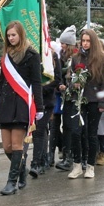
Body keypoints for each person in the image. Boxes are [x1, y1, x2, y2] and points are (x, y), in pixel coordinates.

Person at [0, 21, 43, 193]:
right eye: (8, 36)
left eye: (13, 35)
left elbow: (37, 83)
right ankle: (22, 170)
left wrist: (40, 107)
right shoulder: (6, 56)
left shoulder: (31, 55)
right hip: (6, 105)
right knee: (6, 146)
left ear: (21, 35)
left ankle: (11, 182)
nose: (11, 38)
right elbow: (2, 83)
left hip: (22, 104)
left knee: (16, 145)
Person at [65, 29, 104, 179]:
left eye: (88, 41)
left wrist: (102, 103)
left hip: (94, 101)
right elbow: (70, 79)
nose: (85, 44)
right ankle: (77, 164)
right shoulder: (76, 58)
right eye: (83, 40)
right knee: (75, 132)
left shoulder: (102, 59)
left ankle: (90, 166)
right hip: (78, 100)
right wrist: (74, 85)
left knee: (92, 134)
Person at [29, 46, 60, 176]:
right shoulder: (32, 55)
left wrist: (42, 89)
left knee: (39, 130)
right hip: (32, 100)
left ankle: (36, 163)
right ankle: (42, 158)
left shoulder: (53, 57)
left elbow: (57, 79)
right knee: (38, 131)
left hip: (47, 102)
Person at [54, 27, 77, 171]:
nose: (61, 45)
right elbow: (59, 75)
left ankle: (71, 156)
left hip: (74, 97)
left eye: (64, 43)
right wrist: (60, 85)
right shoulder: (61, 57)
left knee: (71, 127)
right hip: (65, 96)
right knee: (65, 126)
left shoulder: (75, 58)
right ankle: (67, 154)